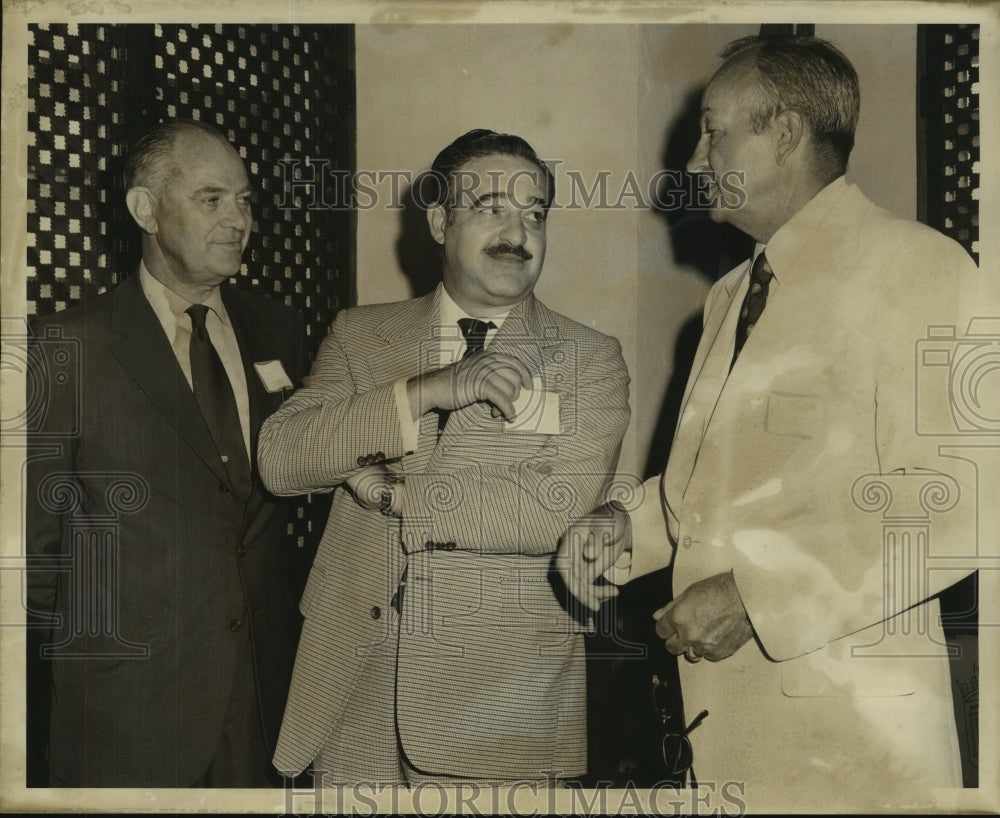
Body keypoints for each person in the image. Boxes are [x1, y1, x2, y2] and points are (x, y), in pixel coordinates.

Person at [558, 36, 993, 810]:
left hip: (854, 755)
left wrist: (758, 596)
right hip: (721, 739)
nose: (695, 160)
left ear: (784, 133)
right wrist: (621, 529)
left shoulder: (924, 268)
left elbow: (961, 502)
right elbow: (702, 493)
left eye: (714, 129)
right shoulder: (730, 295)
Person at [257, 128, 631, 784]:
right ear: (439, 221)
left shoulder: (588, 357)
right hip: (352, 690)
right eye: (491, 208)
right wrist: (432, 389)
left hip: (499, 705)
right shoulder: (360, 334)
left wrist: (393, 495)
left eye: (534, 213)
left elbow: (555, 505)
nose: (518, 232)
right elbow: (283, 458)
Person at [25, 119, 308, 787]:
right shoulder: (68, 348)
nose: (238, 219)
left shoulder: (280, 328)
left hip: (266, 700)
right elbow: (34, 553)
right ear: (145, 209)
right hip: (130, 714)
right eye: (212, 199)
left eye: (245, 200)